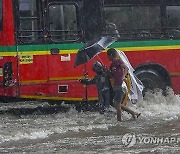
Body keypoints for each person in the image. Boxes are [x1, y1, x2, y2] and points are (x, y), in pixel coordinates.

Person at [107, 48, 141, 121]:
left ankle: (119, 121)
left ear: (111, 55)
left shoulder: (118, 61)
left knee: (117, 104)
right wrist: (106, 71)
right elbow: (112, 76)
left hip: (120, 85)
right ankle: (134, 113)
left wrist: (123, 76)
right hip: (116, 85)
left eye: (108, 56)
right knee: (116, 103)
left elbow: (126, 68)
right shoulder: (112, 65)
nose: (107, 58)